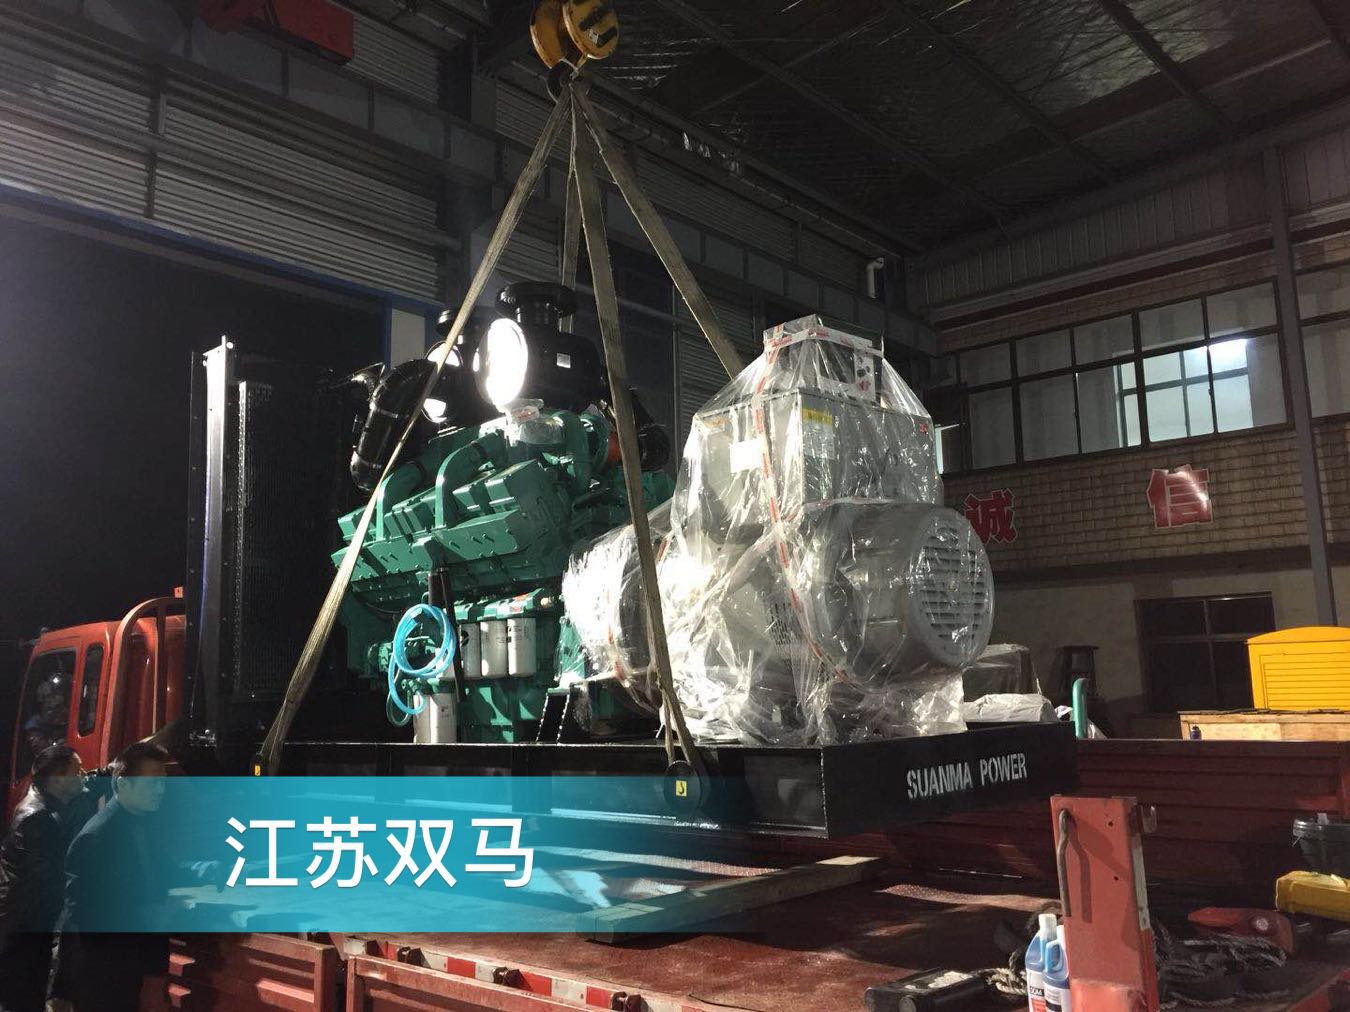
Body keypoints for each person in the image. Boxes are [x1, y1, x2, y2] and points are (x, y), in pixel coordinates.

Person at [47, 742, 171, 1012]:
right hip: (104, 979)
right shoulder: (96, 837)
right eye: (152, 782)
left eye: (163, 782)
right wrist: (143, 913)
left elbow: (159, 873)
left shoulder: (146, 824)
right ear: (124, 784)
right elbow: (82, 916)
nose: (161, 790)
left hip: (135, 970)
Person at [0, 745, 91, 1012]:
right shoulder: (37, 819)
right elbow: (47, 882)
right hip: (24, 930)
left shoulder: (44, 800)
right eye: (77, 770)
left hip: (24, 925)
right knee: (24, 998)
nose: (84, 774)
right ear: (58, 779)